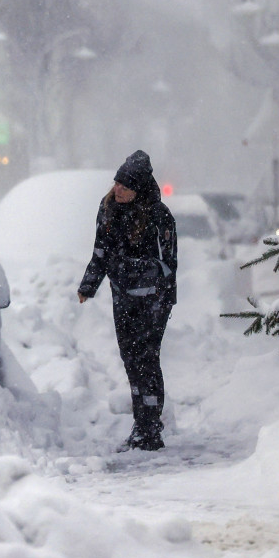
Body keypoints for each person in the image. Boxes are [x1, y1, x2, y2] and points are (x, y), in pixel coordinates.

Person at [77, 150, 177, 452]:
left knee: (147, 360)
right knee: (130, 360)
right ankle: (142, 423)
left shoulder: (160, 216)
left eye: (126, 186)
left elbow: (169, 264)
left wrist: (151, 284)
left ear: (140, 190)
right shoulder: (107, 208)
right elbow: (100, 251)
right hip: (123, 297)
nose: (118, 189)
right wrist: (89, 285)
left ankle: (150, 429)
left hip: (153, 300)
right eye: (116, 183)